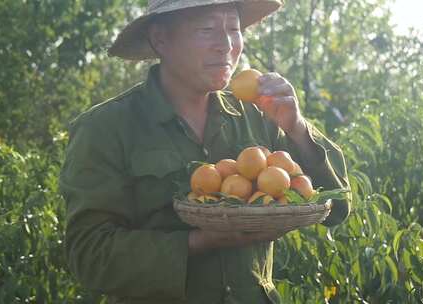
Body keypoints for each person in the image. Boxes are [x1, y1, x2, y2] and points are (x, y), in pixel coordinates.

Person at [59, 0, 351, 303]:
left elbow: (337, 208)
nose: (225, 45)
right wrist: (197, 242)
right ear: (161, 39)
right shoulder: (106, 128)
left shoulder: (259, 114)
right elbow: (89, 256)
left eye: (233, 29)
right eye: (207, 29)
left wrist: (298, 129)